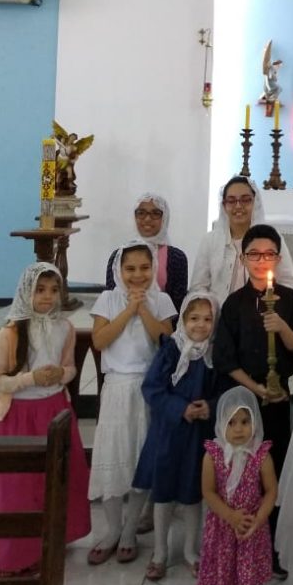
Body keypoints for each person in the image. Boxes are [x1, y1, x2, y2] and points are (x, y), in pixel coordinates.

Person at [212, 223, 293, 576]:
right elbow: (225, 359)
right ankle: (240, 545)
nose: (261, 260)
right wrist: (255, 391)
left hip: (279, 399)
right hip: (243, 405)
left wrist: (282, 327)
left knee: (276, 469)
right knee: (241, 472)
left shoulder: (290, 299)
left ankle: (276, 546)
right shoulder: (235, 303)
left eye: (269, 254)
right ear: (243, 257)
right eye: (254, 254)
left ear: (278, 258)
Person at [0, 263, 91, 575]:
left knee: (57, 479)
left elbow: (69, 367)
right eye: (40, 290)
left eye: (54, 290)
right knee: (19, 487)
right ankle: (13, 555)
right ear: (26, 292)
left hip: (55, 411)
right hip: (19, 415)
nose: (47, 297)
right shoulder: (9, 333)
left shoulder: (65, 329)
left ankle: (54, 539)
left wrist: (61, 374)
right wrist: (30, 378)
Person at [87, 241, 175, 565]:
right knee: (112, 457)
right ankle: (111, 529)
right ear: (119, 271)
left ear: (153, 270)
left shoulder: (162, 300)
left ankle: (129, 531)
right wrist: (127, 309)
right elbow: (99, 341)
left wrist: (144, 309)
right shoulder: (107, 299)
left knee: (140, 459)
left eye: (144, 268)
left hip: (148, 389)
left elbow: (164, 340)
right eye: (130, 269)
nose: (137, 275)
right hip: (116, 388)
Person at [133, 290, 221, 581]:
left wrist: (209, 407)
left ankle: (190, 551)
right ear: (183, 319)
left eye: (207, 319)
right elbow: (153, 388)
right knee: (164, 493)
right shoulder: (171, 348)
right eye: (194, 318)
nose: (200, 325)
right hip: (168, 433)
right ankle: (160, 551)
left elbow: (222, 391)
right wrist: (180, 408)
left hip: (198, 437)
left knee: (194, 493)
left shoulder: (213, 353)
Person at [196, 387, 277, 585]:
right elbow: (208, 492)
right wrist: (230, 516)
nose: (239, 429)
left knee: (246, 569)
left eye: (245, 421)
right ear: (221, 424)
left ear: (255, 422)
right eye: (231, 422)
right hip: (223, 527)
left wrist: (258, 520)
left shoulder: (261, 456)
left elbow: (272, 490)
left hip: (251, 526)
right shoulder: (213, 455)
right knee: (224, 569)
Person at [190, 175, 293, 304]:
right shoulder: (210, 241)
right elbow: (198, 287)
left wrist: (270, 307)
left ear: (255, 202)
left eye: (245, 200)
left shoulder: (270, 239)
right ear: (224, 205)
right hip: (218, 318)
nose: (238, 206)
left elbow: (289, 282)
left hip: (261, 316)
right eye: (231, 201)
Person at [106, 193, 189, 313]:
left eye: (155, 213)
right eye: (141, 213)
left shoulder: (177, 258)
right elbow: (112, 301)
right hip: (123, 323)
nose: (147, 218)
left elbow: (178, 305)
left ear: (165, 217)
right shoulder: (118, 256)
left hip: (162, 326)